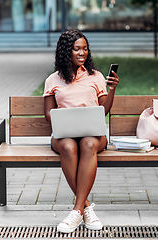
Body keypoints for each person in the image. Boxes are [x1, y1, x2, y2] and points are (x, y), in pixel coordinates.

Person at [43, 30, 119, 233]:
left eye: (85, 48)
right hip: (63, 134)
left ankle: (76, 210)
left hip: (92, 134)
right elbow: (49, 115)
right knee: (68, 146)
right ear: (66, 51)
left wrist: (111, 90)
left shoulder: (96, 76)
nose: (82, 52)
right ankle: (85, 208)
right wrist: (67, 117)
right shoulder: (53, 80)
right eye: (76, 49)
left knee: (88, 143)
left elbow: (103, 110)